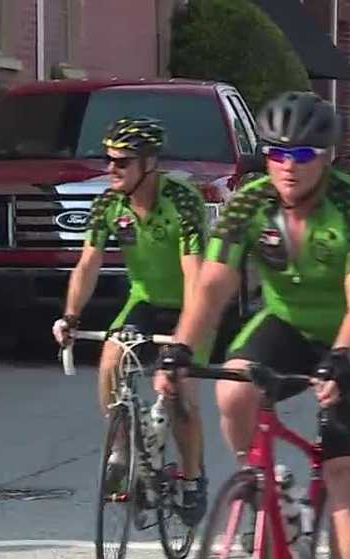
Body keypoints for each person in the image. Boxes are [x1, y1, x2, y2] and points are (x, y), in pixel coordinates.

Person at [153, 91, 350, 559]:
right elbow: (212, 283)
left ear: (329, 156)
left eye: (305, 152)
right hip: (288, 322)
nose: (289, 163)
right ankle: (262, 489)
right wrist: (182, 349)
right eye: (277, 151)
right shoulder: (250, 204)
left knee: (346, 478)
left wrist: (342, 357)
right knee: (233, 387)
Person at [52, 117, 210, 525]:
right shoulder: (109, 203)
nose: (111, 169)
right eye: (109, 160)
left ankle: (192, 481)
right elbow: (88, 265)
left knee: (180, 393)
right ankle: (122, 446)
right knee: (110, 359)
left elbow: (195, 276)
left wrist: (183, 342)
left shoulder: (183, 201)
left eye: (122, 162)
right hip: (144, 300)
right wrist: (71, 316)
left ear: (149, 164)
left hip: (189, 305)